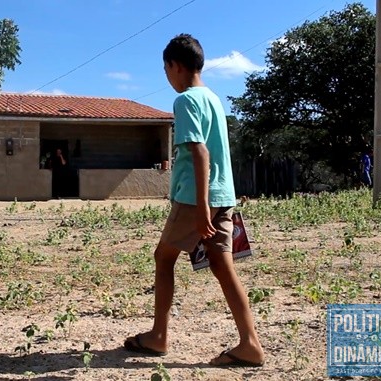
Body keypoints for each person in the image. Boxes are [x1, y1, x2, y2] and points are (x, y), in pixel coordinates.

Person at [123, 34, 265, 367]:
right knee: (221, 265)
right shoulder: (214, 99)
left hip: (194, 200)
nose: (167, 76)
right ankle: (250, 344)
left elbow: (199, 152)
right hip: (224, 195)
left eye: (166, 69)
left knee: (163, 257)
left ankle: (158, 336)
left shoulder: (186, 101)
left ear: (175, 66)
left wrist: (201, 209)